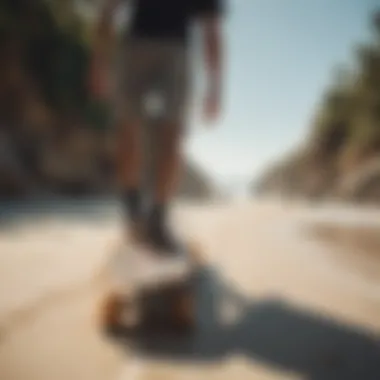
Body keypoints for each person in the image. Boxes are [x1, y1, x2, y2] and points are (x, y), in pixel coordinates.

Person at [89, 0, 225, 257]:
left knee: (171, 130)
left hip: (175, 49)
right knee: (129, 124)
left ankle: (157, 219)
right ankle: (134, 212)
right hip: (138, 45)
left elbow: (211, 26)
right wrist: (99, 62)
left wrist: (215, 86)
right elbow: (109, 8)